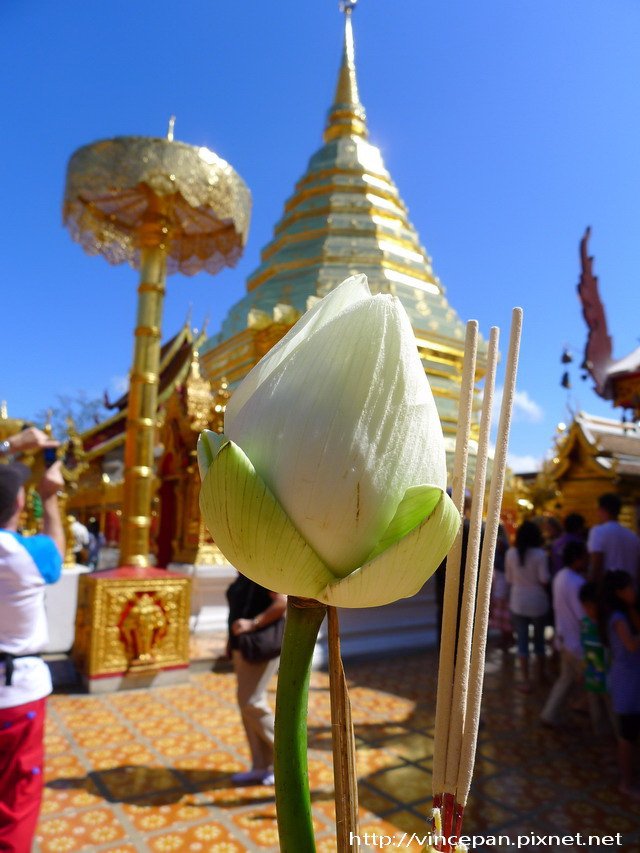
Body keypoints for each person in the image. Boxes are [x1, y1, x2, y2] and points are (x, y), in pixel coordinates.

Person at [0, 459, 65, 850]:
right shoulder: (27, 554)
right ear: (20, 502)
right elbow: (56, 552)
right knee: (16, 799)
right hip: (16, 694)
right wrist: (52, 500)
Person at [226, 573, 286, 786]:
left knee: (252, 702)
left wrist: (253, 623)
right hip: (243, 648)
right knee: (246, 706)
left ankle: (288, 760)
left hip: (259, 647)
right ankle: (261, 766)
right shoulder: (243, 571)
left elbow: (282, 602)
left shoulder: (261, 569)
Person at [540, 540, 588, 727]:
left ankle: (549, 713)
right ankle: (602, 726)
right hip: (576, 642)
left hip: (563, 636)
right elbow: (583, 615)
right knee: (593, 685)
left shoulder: (561, 576)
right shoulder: (577, 582)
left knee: (566, 679)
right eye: (584, 558)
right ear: (577, 559)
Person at [602, 570, 640, 798]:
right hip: (627, 680)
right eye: (628, 587)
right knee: (627, 734)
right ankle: (626, 782)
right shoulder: (618, 617)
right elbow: (631, 645)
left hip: (631, 678)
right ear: (618, 592)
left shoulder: (625, 613)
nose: (632, 591)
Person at [505, 520, 550, 693]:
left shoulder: (511, 553)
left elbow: (509, 579)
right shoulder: (540, 554)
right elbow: (544, 579)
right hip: (538, 602)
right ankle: (541, 675)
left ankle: (525, 680)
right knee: (539, 641)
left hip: (518, 601)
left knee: (522, 642)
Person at [588, 493, 640, 587]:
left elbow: (596, 564)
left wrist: (593, 588)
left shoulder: (598, 532)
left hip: (609, 592)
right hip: (630, 592)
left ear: (602, 509)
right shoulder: (633, 537)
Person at [579, 582, 611, 734]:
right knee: (597, 712)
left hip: (607, 679)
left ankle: (617, 742)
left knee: (611, 710)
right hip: (591, 676)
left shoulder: (609, 625)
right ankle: (602, 737)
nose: (588, 610)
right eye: (585, 607)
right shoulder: (585, 624)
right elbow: (584, 648)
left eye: (590, 606)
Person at [549, 513, 587, 577]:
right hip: (573, 579)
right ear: (579, 527)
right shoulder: (578, 543)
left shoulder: (556, 542)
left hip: (557, 578)